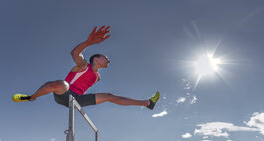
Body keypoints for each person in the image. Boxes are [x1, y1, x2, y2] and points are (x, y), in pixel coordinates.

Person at [12, 25, 159, 110]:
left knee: (109, 96)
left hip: (78, 100)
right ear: (95, 59)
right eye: (105, 57)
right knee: (61, 83)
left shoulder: (97, 77)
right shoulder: (83, 66)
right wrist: (89, 42)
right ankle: (31, 97)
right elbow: (75, 53)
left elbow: (92, 81)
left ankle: (147, 103)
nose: (108, 59)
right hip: (64, 93)